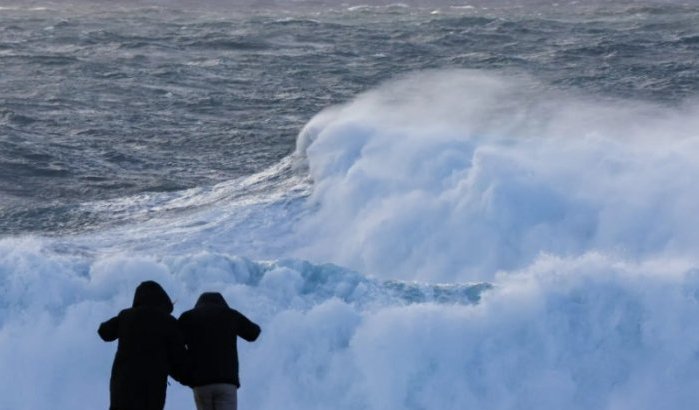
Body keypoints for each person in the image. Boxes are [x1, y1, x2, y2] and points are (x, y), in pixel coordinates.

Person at [98, 280, 188, 410]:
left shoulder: (126, 316)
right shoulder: (169, 321)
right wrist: (190, 378)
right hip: (152, 388)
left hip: (123, 385)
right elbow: (178, 358)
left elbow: (104, 333)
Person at [178, 292, 261, 410]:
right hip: (226, 381)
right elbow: (254, 333)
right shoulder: (231, 315)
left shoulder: (188, 317)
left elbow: (174, 342)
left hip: (200, 382)